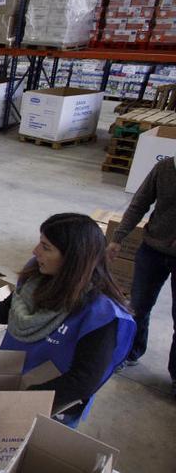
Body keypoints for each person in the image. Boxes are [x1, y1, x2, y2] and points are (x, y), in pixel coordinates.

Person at [0, 213, 136, 427]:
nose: (35, 251)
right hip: (8, 383)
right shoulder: (37, 276)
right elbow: (10, 315)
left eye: (46, 247)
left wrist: (23, 400)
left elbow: (83, 381)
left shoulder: (102, 315)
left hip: (47, 407)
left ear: (73, 258)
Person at [107, 156, 176, 395]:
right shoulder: (165, 168)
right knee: (138, 306)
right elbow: (139, 204)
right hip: (153, 250)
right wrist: (118, 238)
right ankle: (130, 352)